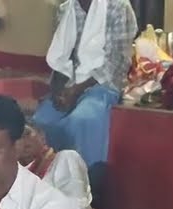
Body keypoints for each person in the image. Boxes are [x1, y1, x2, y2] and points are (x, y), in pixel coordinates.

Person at [32, 0, 137, 184]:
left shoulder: (118, 7)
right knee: (41, 121)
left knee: (81, 121)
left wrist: (77, 90)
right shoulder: (66, 9)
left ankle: (86, 186)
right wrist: (58, 90)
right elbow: (61, 58)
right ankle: (48, 184)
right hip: (72, 83)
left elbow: (117, 62)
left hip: (104, 84)